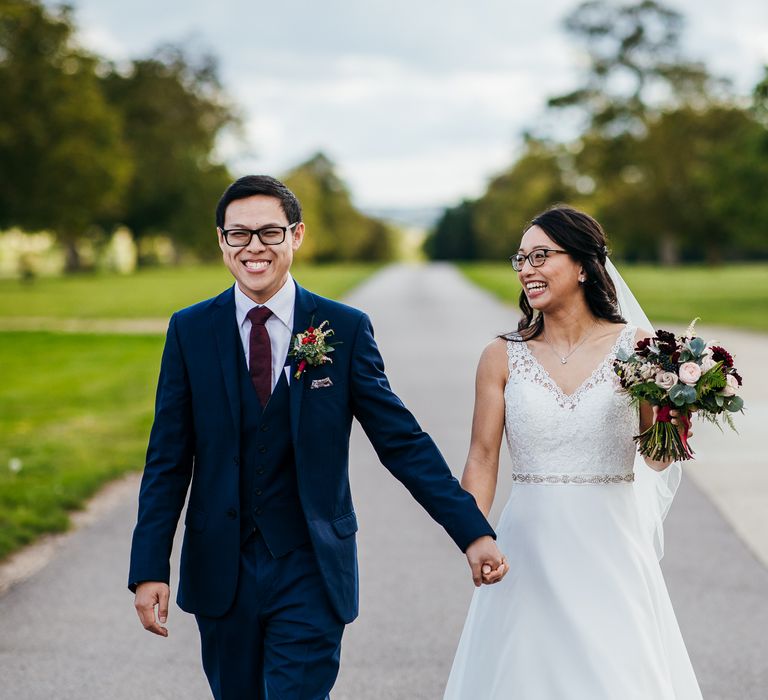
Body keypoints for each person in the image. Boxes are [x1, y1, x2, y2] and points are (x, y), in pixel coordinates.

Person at [128, 175, 507, 700]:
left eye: (269, 232)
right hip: (221, 570)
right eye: (239, 234)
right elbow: (167, 460)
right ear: (221, 241)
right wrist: (149, 567)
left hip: (310, 565)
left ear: (296, 235)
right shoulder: (190, 330)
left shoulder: (342, 328)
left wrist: (472, 530)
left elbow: (401, 441)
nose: (253, 247)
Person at [444, 206, 702, 699]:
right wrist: (473, 534)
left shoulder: (640, 348)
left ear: (583, 265)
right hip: (529, 543)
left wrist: (676, 414)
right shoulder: (500, 355)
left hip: (612, 543)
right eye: (520, 259)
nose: (527, 269)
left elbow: (656, 458)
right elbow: (481, 457)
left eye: (541, 255)